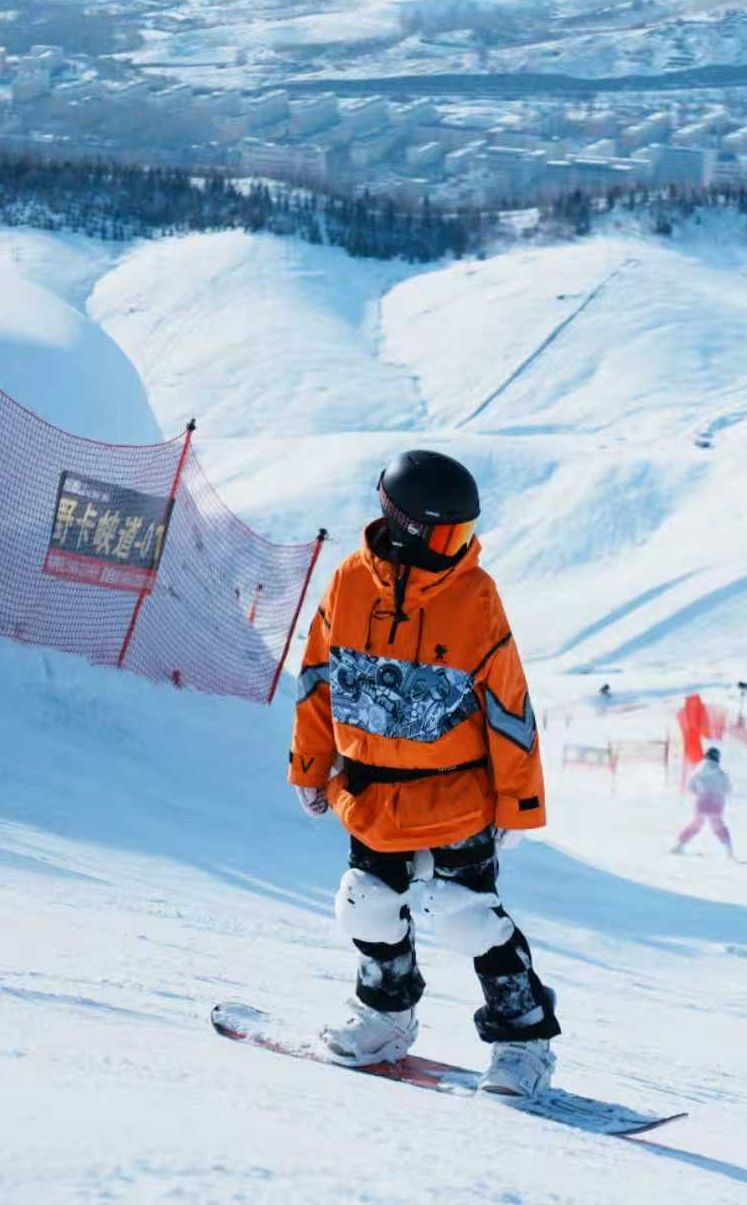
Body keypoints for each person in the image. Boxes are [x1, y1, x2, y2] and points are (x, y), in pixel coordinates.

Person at [288, 450, 559, 1097]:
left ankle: (524, 1045)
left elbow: (509, 705)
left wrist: (518, 806)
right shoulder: (348, 583)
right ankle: (384, 1019)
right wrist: (309, 764)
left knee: (469, 915)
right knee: (368, 907)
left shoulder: (475, 594)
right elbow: (318, 679)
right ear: (406, 527)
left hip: (459, 795)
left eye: (464, 535)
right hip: (371, 791)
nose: (460, 548)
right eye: (448, 536)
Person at [673, 747, 735, 858]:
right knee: (718, 826)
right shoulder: (721, 774)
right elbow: (728, 789)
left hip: (701, 803)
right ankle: (729, 852)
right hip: (717, 804)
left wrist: (699, 792)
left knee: (695, 825)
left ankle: (680, 846)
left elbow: (690, 788)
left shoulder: (698, 772)